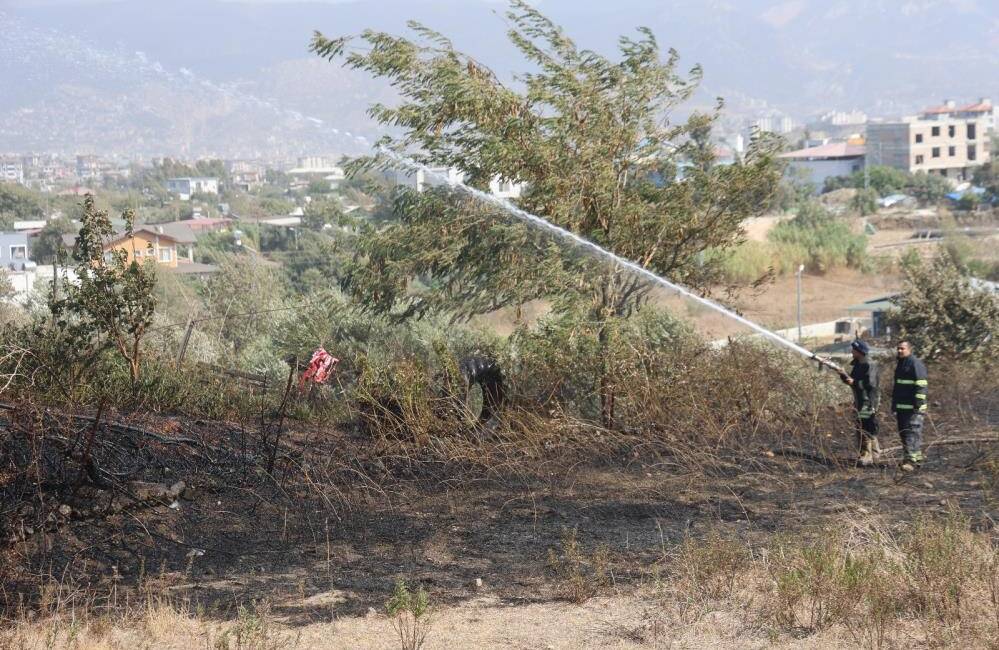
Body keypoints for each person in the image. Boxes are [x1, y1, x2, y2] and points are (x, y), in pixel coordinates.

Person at [839, 339, 881, 466]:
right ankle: (872, 456)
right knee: (861, 427)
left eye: (854, 350)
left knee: (866, 428)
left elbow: (871, 384)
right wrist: (842, 374)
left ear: (859, 351)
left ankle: (868, 456)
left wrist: (855, 383)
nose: (852, 352)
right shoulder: (858, 363)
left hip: (868, 401)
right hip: (859, 400)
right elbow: (851, 381)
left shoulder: (869, 364)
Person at [891, 340, 928, 471]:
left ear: (909, 350)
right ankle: (916, 459)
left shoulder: (915, 363)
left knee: (911, 433)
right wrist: (894, 406)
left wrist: (918, 405)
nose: (900, 351)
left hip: (913, 409)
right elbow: (898, 387)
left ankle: (911, 462)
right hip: (902, 408)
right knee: (906, 434)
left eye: (902, 348)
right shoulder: (901, 364)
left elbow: (921, 385)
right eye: (898, 348)